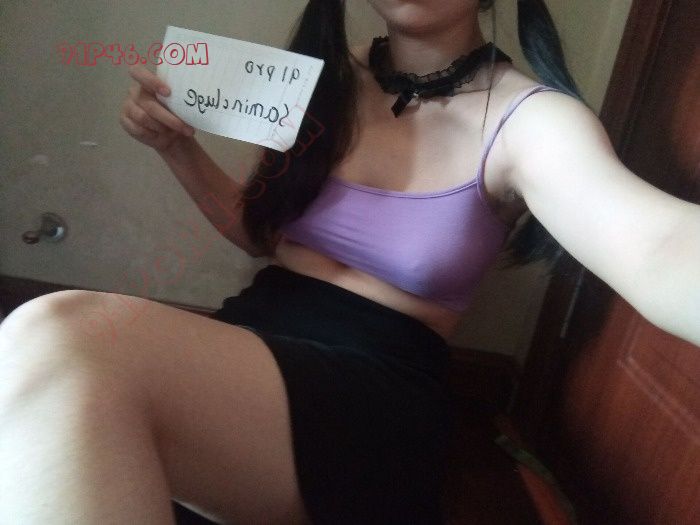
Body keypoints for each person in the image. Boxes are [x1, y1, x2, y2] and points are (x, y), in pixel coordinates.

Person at [1, 1, 698, 524]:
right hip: (251, 343)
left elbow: (657, 246)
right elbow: (262, 234)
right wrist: (176, 148)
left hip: (376, 393)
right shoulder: (315, 83)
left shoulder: (532, 120)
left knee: (58, 337)